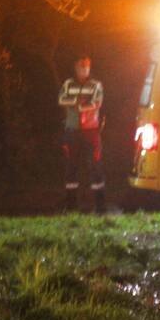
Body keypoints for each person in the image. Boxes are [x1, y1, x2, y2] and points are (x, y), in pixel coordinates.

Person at [59, 56, 105, 213]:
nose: (85, 69)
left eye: (87, 67)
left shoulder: (96, 85)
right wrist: (77, 102)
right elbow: (61, 99)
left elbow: (97, 103)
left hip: (91, 131)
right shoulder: (68, 84)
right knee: (71, 168)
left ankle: (100, 207)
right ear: (76, 67)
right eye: (81, 66)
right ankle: (71, 206)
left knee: (95, 167)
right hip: (72, 131)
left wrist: (79, 106)